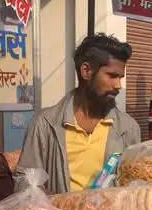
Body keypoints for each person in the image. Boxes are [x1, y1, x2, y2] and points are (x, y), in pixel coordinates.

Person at [18, 34, 140, 193]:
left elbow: (134, 184)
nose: (118, 85)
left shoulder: (129, 128)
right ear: (86, 71)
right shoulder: (45, 124)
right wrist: (46, 201)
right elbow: (24, 179)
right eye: (112, 76)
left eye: (121, 77)